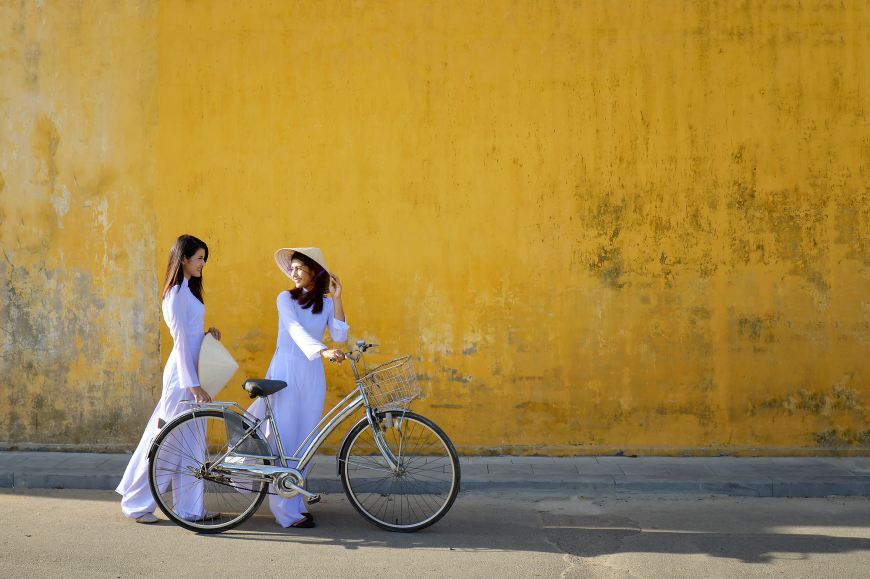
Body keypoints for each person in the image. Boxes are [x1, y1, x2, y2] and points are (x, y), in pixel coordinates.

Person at [115, 235, 222, 523]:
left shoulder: (187, 291)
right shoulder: (175, 293)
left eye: (203, 259)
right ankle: (136, 504)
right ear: (183, 259)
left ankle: (190, 508)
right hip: (182, 377)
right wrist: (192, 384)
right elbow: (180, 343)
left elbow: (190, 335)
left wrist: (206, 335)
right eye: (199, 258)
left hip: (193, 372)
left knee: (193, 442)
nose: (202, 264)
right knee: (167, 441)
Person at [247, 247, 349, 529]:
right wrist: (323, 350)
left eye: (299, 268)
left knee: (305, 439)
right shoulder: (285, 298)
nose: (293, 273)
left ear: (315, 271)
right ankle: (284, 511)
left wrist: (338, 298)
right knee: (287, 437)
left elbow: (340, 333)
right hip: (287, 371)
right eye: (291, 267)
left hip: (312, 374)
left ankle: (294, 498)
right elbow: (294, 329)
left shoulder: (326, 303)